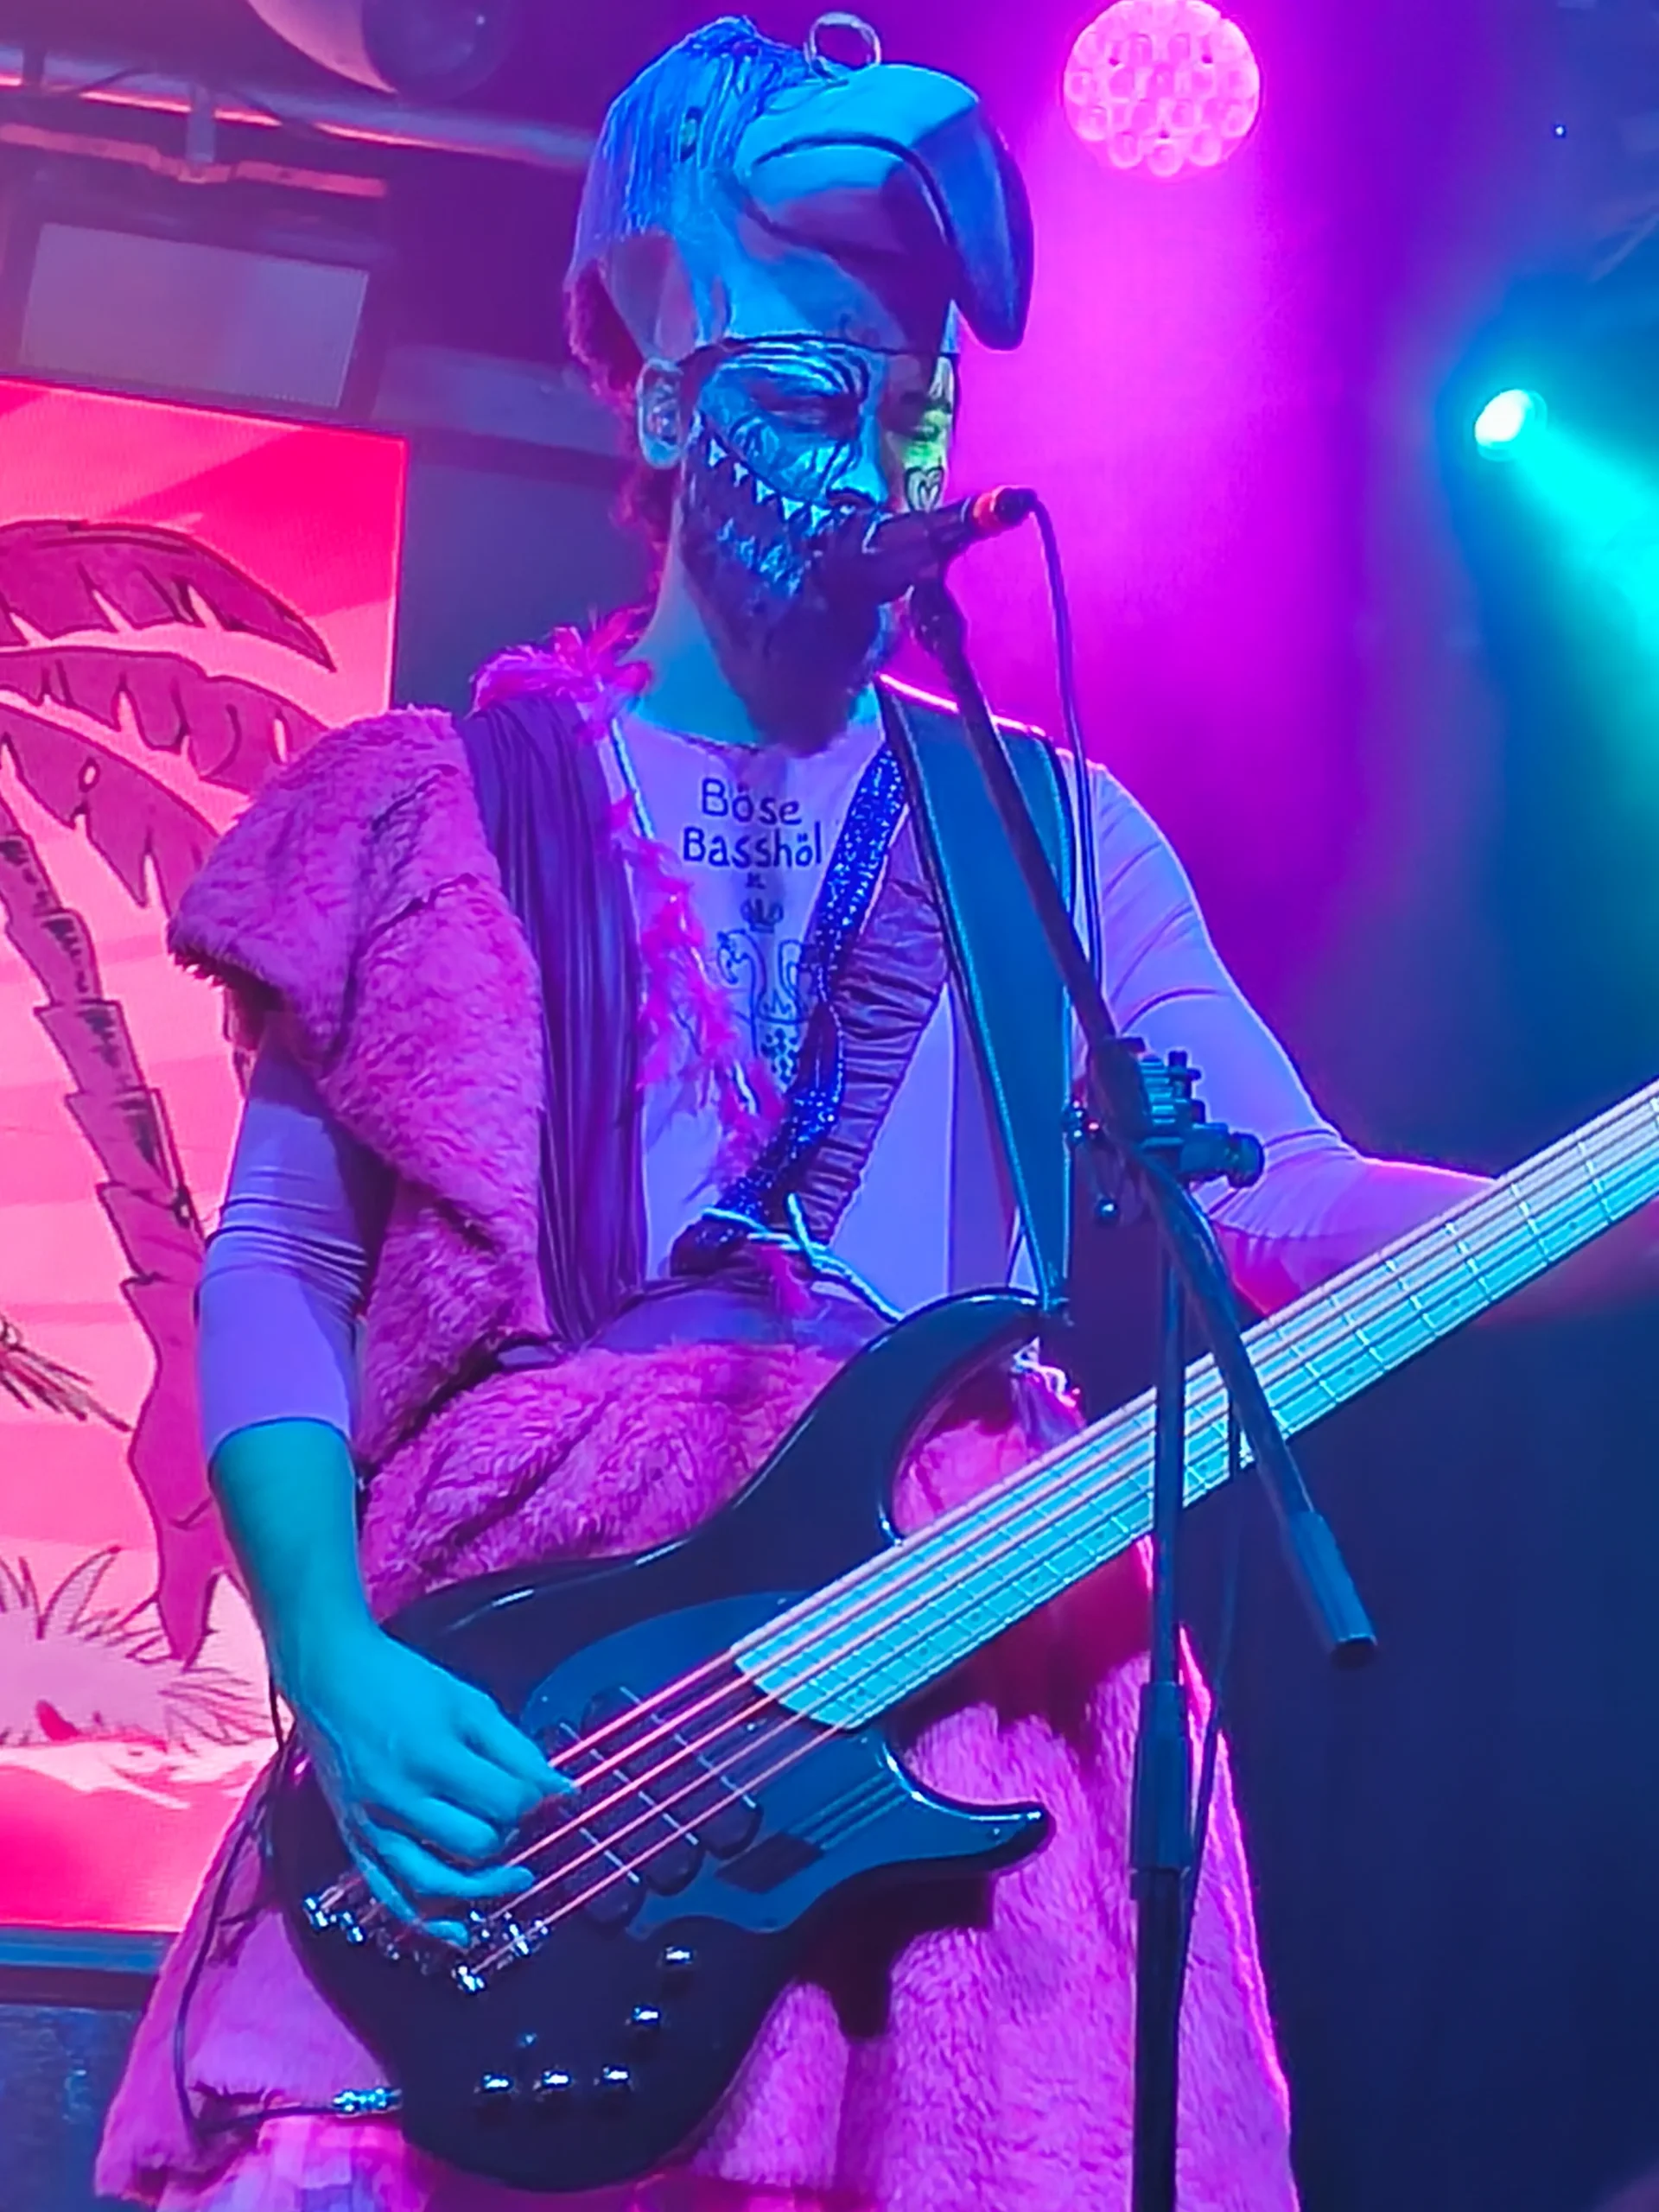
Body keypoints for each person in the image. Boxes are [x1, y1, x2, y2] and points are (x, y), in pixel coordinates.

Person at [94, 18, 1658, 2212]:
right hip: (524, 1736)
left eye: (912, 380)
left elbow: (1285, 1199)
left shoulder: (1051, 825)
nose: (875, 426)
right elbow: (281, 1257)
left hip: (957, 1692)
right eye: (813, 363)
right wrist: (334, 1658)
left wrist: (1602, 1199)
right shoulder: (436, 808)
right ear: (655, 376)